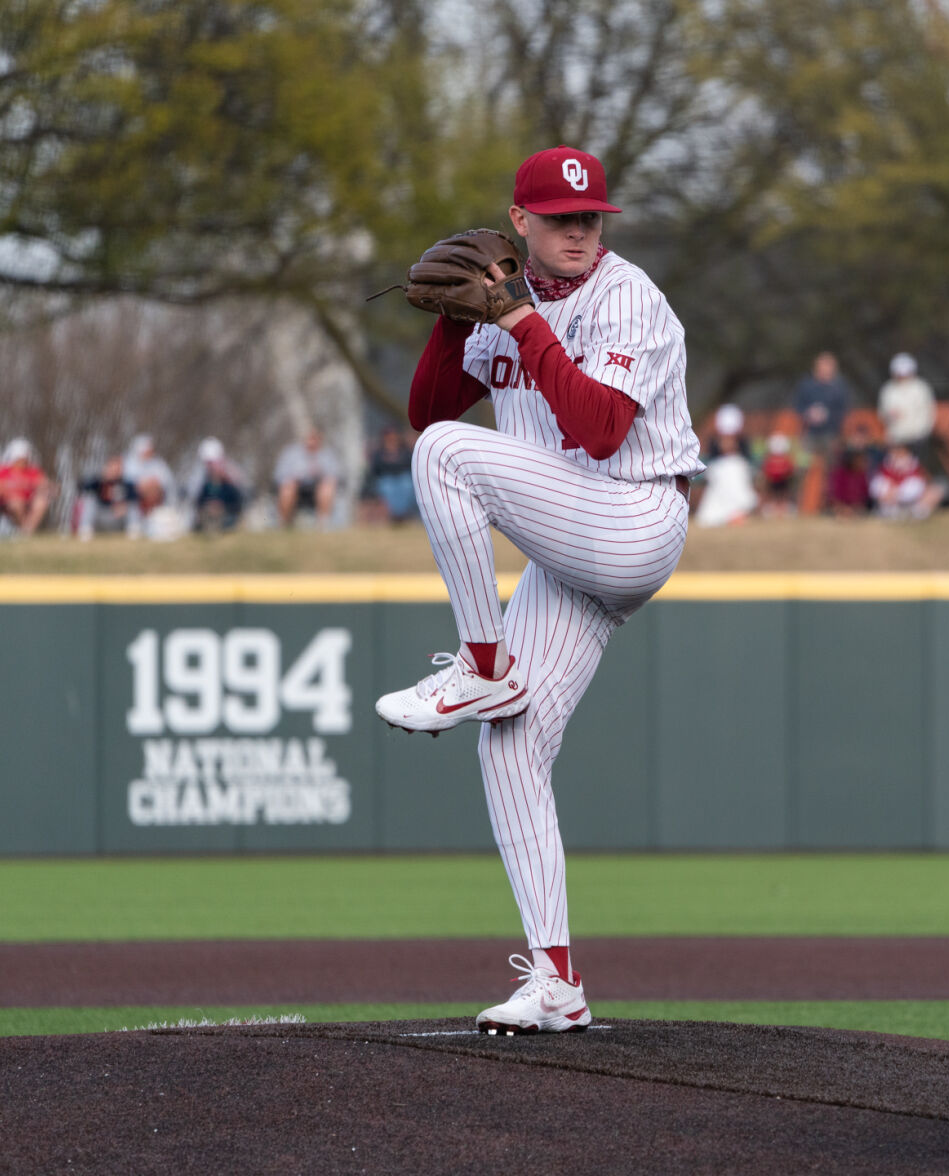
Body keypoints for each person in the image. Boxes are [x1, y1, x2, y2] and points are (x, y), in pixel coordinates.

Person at [374, 144, 702, 1035]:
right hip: (571, 549)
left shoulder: (626, 295)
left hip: (633, 516)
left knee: (445, 459)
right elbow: (428, 406)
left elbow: (597, 431)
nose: (579, 231)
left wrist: (518, 322)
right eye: (560, 219)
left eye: (590, 216)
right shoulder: (504, 296)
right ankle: (556, 981)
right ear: (520, 221)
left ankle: (481, 663)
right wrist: (452, 322)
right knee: (509, 750)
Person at [694, 405, 758, 528]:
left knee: (735, 470)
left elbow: (748, 460)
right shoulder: (714, 441)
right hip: (719, 470)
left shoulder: (743, 443)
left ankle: (738, 511)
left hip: (736, 468)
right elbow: (710, 461)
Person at [274, 426, 342, 527]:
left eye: (315, 438)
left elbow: (335, 476)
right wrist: (294, 478)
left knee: (328, 487)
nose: (312, 441)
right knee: (287, 488)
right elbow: (279, 475)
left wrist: (322, 475)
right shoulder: (291, 453)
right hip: (296, 488)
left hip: (318, 489)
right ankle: (284, 523)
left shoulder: (327, 455)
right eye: (310, 438)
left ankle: (323, 524)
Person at [0, 437, 53, 535]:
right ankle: (25, 530)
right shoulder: (1, 471)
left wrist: (42, 487)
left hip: (29, 502)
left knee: (41, 502)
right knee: (16, 502)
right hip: (6, 504)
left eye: (24, 459)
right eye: (19, 459)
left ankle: (26, 531)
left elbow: (46, 485)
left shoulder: (33, 471)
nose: (22, 462)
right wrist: (23, 486)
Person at [792, 351, 852, 459]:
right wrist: (808, 413)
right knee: (805, 464)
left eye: (829, 366)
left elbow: (843, 410)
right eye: (824, 366)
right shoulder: (806, 385)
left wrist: (827, 415)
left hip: (831, 434)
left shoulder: (839, 387)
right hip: (809, 433)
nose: (826, 369)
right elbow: (798, 406)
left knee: (831, 465)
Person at [877, 352, 936, 458]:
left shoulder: (921, 388)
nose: (902, 377)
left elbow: (928, 413)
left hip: (917, 438)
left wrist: (921, 433)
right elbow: (882, 413)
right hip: (896, 439)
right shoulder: (888, 390)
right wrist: (890, 416)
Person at [191, 437, 247, 532]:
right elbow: (196, 500)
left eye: (213, 463)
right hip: (207, 515)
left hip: (228, 515)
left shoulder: (232, 476)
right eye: (209, 463)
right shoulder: (200, 479)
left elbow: (241, 499)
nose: (212, 467)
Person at [869, 443, 937, 521]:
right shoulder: (886, 465)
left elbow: (919, 483)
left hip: (910, 497)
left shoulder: (913, 464)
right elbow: (877, 485)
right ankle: (890, 509)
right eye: (895, 451)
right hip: (891, 497)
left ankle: (916, 510)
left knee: (931, 491)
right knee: (882, 487)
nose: (898, 454)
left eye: (901, 451)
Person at [364, 426, 417, 524]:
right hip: (385, 480)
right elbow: (375, 471)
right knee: (387, 486)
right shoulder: (378, 453)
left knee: (407, 484)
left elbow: (410, 466)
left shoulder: (405, 451)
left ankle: (402, 515)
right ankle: (394, 515)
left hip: (403, 479)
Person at [78, 455, 138, 536]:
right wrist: (102, 479)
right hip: (102, 516)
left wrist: (124, 506)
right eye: (113, 467)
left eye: (118, 468)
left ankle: (133, 532)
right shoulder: (98, 482)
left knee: (132, 507)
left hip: (119, 518)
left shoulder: (127, 484)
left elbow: (134, 498)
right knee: (90, 501)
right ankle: (85, 531)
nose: (115, 471)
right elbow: (83, 487)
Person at [758, 432, 798, 517]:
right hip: (773, 482)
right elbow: (766, 471)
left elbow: (790, 470)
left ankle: (782, 506)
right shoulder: (769, 460)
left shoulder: (786, 459)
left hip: (784, 482)